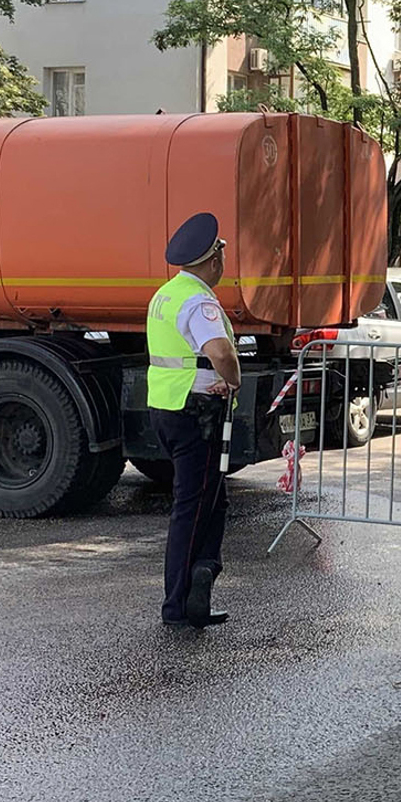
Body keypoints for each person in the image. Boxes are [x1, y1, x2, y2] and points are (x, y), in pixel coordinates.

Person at [146, 212, 242, 628]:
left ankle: (201, 580)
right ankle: (179, 605)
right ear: (213, 260)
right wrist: (233, 379)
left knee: (210, 501)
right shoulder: (199, 300)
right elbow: (220, 353)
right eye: (221, 254)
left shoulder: (166, 293)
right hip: (196, 414)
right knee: (193, 506)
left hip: (168, 408)